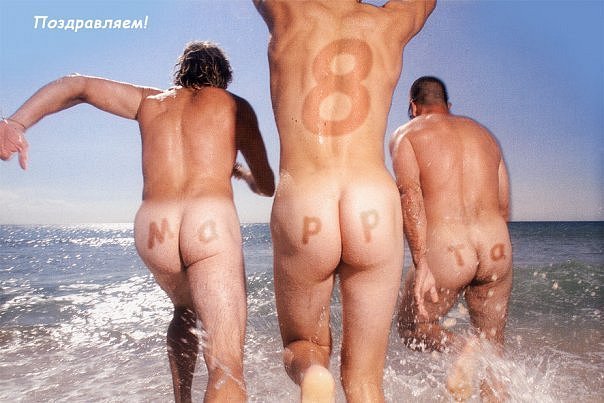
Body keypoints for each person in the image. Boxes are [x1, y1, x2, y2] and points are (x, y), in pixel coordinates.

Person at [0, 41, 275, 403]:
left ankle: (182, 399)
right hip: (208, 223)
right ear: (224, 75)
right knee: (226, 367)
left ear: (181, 72)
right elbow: (267, 185)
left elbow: (77, 85)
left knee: (184, 310)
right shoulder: (235, 106)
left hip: (153, 230)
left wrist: (16, 122)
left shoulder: (150, 101)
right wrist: (239, 173)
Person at [253, 1, 435, 401]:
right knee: (365, 380)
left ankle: (314, 376)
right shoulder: (391, 23)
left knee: (304, 346)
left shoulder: (286, 11)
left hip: (306, 199)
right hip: (373, 204)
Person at [389, 76, 512, 401]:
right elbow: (503, 206)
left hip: (448, 249)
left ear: (413, 106)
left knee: (412, 327)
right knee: (493, 349)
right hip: (496, 247)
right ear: (448, 105)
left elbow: (409, 194)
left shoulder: (407, 134)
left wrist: (421, 261)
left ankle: (463, 350)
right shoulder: (485, 136)